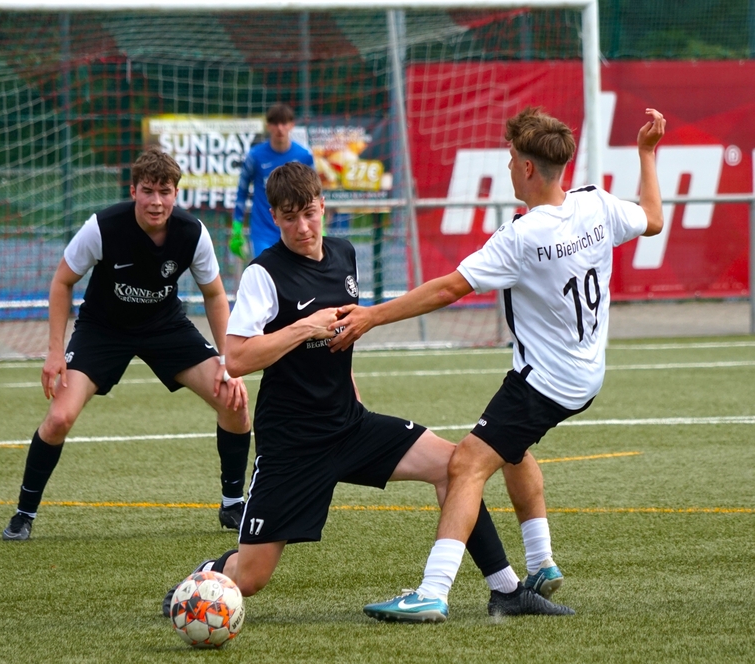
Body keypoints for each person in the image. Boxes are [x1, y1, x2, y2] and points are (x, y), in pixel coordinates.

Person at [163, 161, 571, 621]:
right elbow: (237, 357)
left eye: (310, 214)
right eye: (290, 218)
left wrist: (348, 384)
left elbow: (340, 344)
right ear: (274, 217)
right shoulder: (265, 273)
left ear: (323, 207)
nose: (303, 227)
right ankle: (201, 581)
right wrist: (304, 328)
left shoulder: (344, 254)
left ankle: (507, 591)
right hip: (293, 443)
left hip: (350, 425)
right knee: (252, 578)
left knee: (456, 467)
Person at [331, 107, 666, 621]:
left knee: (465, 464)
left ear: (528, 168)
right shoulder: (596, 204)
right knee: (511, 448)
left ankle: (433, 591)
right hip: (587, 372)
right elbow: (654, 219)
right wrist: (646, 153)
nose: (508, 167)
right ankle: (541, 564)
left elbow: (448, 288)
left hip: (546, 382)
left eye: (511, 159)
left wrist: (372, 315)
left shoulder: (523, 236)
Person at [2, 149, 251, 540]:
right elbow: (62, 282)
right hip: (103, 329)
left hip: (165, 326)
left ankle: (233, 504)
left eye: (164, 192)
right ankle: (23, 514)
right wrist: (54, 351)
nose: (156, 201)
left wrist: (227, 360)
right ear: (133, 191)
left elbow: (215, 295)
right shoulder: (102, 227)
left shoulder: (193, 233)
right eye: (147, 191)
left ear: (176, 194)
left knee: (233, 400)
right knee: (59, 418)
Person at [230, 104, 315, 258]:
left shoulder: (304, 156)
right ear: (268, 126)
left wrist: (318, 223)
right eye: (275, 123)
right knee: (267, 271)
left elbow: (315, 193)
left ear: (291, 125)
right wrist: (237, 227)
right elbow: (242, 191)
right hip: (263, 233)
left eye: (284, 123)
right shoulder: (255, 156)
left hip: (296, 231)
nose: (280, 128)